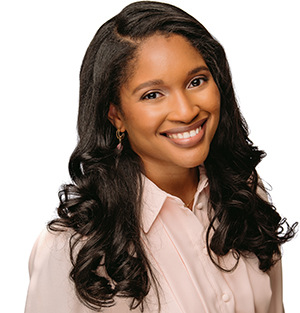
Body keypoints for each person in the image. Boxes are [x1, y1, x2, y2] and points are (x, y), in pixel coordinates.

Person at [24, 1, 297, 313]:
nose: (186, 111)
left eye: (197, 81)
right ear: (116, 115)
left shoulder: (244, 192)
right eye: (152, 95)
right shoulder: (73, 248)